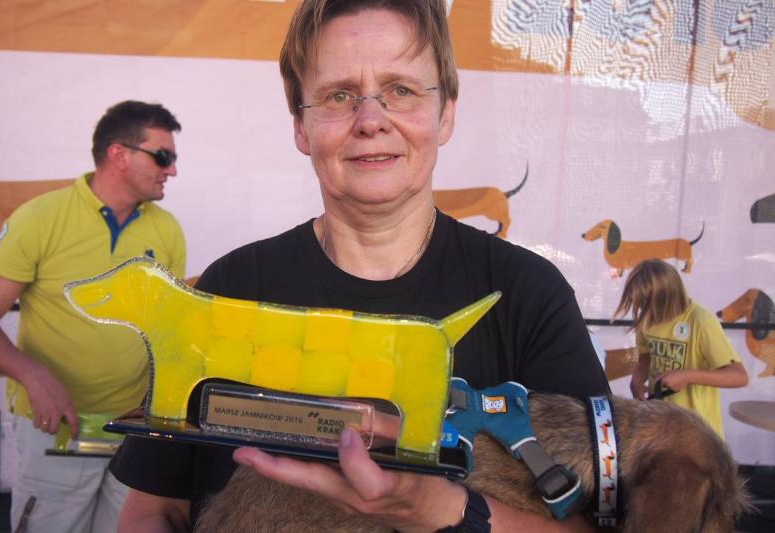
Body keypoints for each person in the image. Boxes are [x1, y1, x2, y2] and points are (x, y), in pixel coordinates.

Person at [111, 1, 608, 531]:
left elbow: (590, 524)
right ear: (301, 127)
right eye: (339, 96)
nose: (371, 121)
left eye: (402, 90)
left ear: (445, 114)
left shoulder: (527, 294)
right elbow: (155, 510)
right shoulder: (228, 288)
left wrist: (445, 511)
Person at [0, 100, 186, 533]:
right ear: (119, 154)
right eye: (163, 156)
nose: (172, 170)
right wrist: (33, 376)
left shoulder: (167, 229)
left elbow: (170, 331)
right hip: (56, 428)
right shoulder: (40, 218)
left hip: (134, 432)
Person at [614, 259, 748, 437]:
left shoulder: (701, 321)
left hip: (699, 432)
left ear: (668, 296)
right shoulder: (647, 319)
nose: (644, 310)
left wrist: (688, 375)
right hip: (661, 426)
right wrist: (637, 382)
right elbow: (645, 359)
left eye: (648, 303)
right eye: (640, 303)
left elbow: (739, 377)